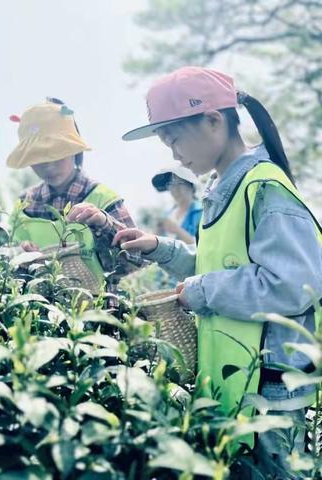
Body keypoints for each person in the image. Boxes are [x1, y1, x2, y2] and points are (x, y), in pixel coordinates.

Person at [114, 66, 322, 477]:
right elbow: (222, 264)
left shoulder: (264, 187)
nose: (172, 152)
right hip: (240, 374)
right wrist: (162, 248)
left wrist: (200, 291)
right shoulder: (225, 188)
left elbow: (293, 286)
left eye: (173, 137)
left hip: (271, 383)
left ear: (213, 120)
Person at [7, 97, 137, 289]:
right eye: (38, 156)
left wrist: (104, 224)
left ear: (74, 149)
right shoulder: (25, 204)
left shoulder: (102, 198)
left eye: (56, 153)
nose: (48, 165)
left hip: (98, 310)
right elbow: (6, 260)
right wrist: (19, 256)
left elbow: (134, 261)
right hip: (42, 311)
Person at [152, 165, 202, 244]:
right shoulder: (168, 214)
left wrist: (176, 230)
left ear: (191, 186)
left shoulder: (202, 212)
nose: (174, 189)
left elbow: (201, 245)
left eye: (179, 183)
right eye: (170, 184)